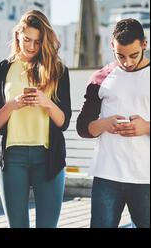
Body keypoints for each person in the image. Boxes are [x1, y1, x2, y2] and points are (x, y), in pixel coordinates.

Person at [0, 10, 71, 228]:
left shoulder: (58, 69)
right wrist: (12, 104)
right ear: (17, 35)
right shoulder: (1, 69)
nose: (32, 46)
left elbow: (64, 122)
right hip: (12, 156)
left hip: (48, 157)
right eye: (27, 39)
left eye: (37, 41)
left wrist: (46, 102)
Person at [77, 18, 150, 228]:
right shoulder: (100, 78)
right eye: (120, 55)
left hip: (146, 177)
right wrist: (105, 124)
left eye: (133, 55)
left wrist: (146, 127)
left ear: (144, 44)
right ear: (112, 46)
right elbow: (83, 127)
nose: (127, 62)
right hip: (107, 176)